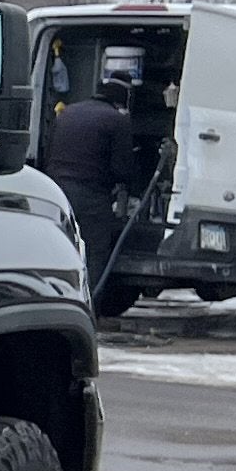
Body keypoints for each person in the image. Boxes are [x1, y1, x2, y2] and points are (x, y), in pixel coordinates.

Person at [42, 48, 146, 309]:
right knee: (95, 251)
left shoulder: (68, 112)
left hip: (55, 191)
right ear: (121, 100)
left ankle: (55, 300)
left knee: (61, 247)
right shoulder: (116, 121)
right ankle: (88, 307)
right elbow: (123, 169)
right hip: (90, 196)